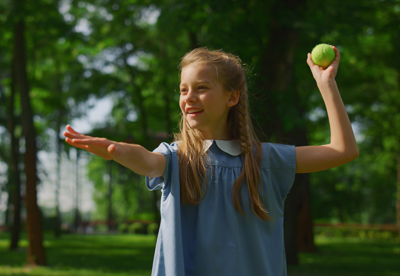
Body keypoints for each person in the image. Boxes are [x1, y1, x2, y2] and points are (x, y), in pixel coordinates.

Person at [64, 46, 359, 276]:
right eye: (183, 89)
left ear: (232, 98)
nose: (189, 97)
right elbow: (146, 160)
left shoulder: (266, 159)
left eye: (201, 88)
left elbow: (343, 150)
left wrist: (326, 84)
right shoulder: (176, 158)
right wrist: (118, 151)